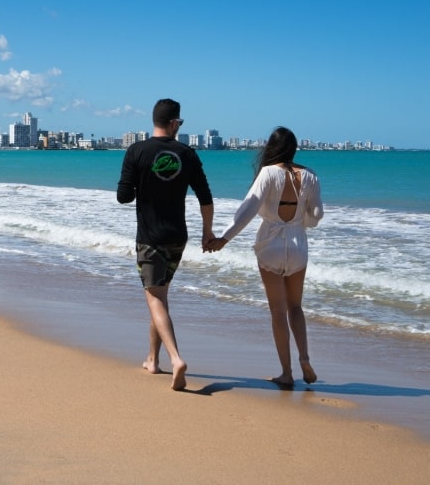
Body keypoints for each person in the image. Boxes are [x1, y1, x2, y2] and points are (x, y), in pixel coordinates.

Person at [206, 126, 323, 388]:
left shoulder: (268, 173)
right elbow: (316, 216)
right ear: (294, 148)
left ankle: (286, 373)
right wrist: (300, 219)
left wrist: (224, 238)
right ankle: (304, 357)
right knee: (296, 307)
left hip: (270, 242)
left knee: (277, 311)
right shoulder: (311, 176)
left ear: (272, 148)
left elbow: (248, 208)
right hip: (297, 245)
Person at [117, 98, 215, 391]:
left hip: (150, 237)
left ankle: (176, 359)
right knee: (160, 294)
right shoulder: (187, 153)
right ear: (174, 123)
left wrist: (143, 182)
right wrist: (207, 233)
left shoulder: (137, 151)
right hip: (177, 236)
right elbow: (205, 197)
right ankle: (152, 359)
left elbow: (124, 196)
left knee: (155, 296)